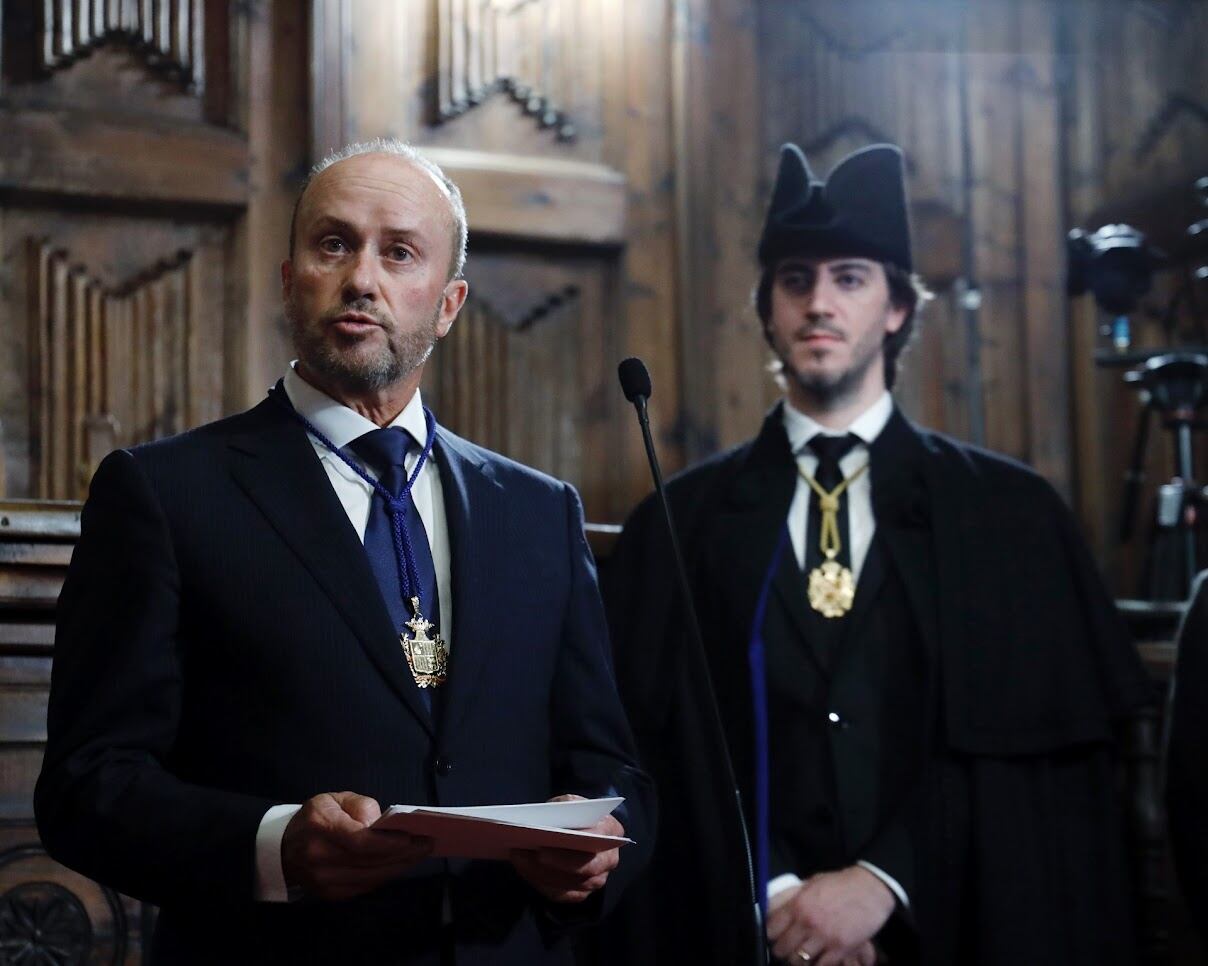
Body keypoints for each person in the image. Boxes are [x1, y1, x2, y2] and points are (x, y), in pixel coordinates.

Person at [35, 138, 653, 966]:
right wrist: (276, 843)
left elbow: (614, 766)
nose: (362, 277)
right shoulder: (164, 493)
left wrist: (602, 848)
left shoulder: (540, 512)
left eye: (399, 252)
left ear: (449, 302)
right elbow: (88, 786)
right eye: (334, 244)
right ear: (291, 280)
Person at [598, 143, 1151, 966]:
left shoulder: (1010, 516)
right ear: (768, 308)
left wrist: (887, 881)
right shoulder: (681, 522)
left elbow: (1051, 775)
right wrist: (780, 894)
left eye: (850, 278)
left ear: (897, 307)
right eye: (796, 280)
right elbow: (643, 756)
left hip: (951, 927)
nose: (820, 303)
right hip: (736, 929)